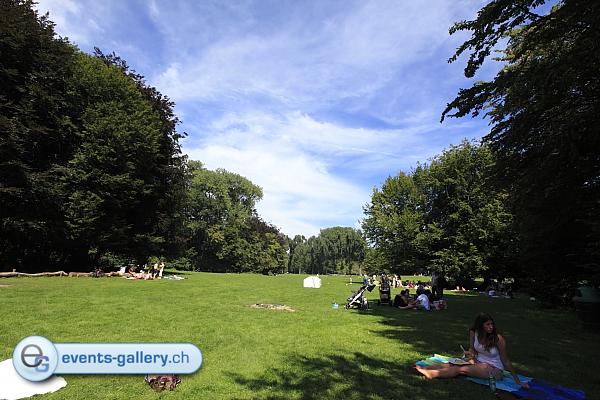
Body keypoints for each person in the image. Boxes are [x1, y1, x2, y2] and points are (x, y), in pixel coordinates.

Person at [414, 313, 530, 389]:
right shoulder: (474, 332)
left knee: (460, 369)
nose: (491, 327)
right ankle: (424, 368)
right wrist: (470, 354)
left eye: (492, 324)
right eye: (487, 324)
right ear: (480, 326)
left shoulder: (498, 339)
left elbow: (506, 361)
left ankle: (431, 374)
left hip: (494, 368)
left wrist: (518, 381)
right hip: (477, 361)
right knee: (451, 363)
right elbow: (472, 349)